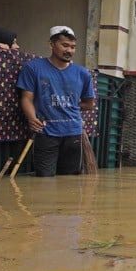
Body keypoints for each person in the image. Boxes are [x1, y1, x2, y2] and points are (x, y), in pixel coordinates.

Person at [16, 25, 96, 176]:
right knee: (44, 179)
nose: (69, 51)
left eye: (73, 47)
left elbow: (89, 103)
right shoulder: (33, 68)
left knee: (70, 181)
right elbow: (26, 98)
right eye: (64, 45)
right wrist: (32, 118)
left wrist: (69, 108)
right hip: (46, 132)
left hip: (73, 134)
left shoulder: (82, 73)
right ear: (51, 44)